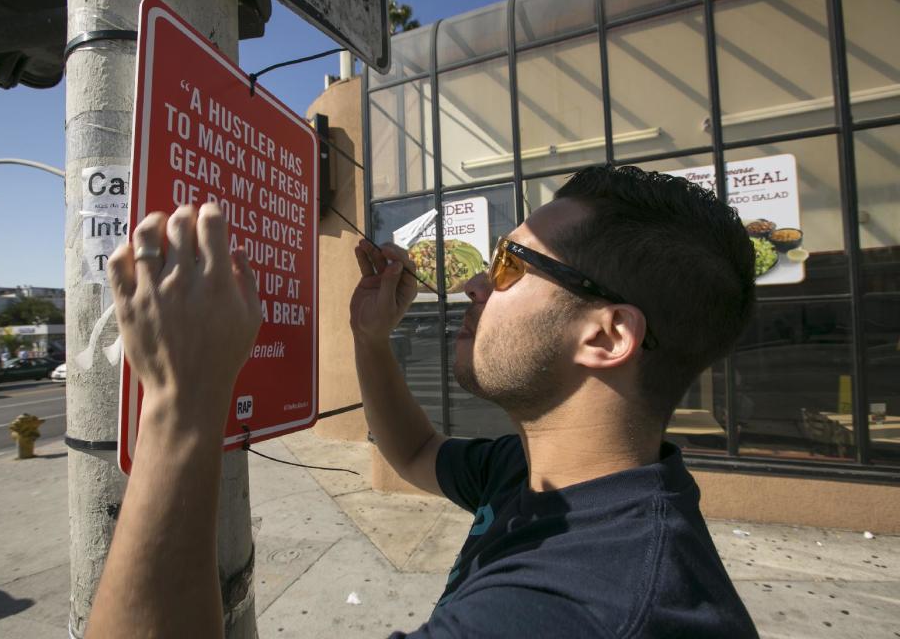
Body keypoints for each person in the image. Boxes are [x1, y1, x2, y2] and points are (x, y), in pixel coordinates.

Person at [87, 165, 759, 638]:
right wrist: (370, 338)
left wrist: (183, 404)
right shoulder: (564, 482)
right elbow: (414, 452)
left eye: (509, 265)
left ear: (605, 336)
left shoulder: (573, 610)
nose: (474, 283)